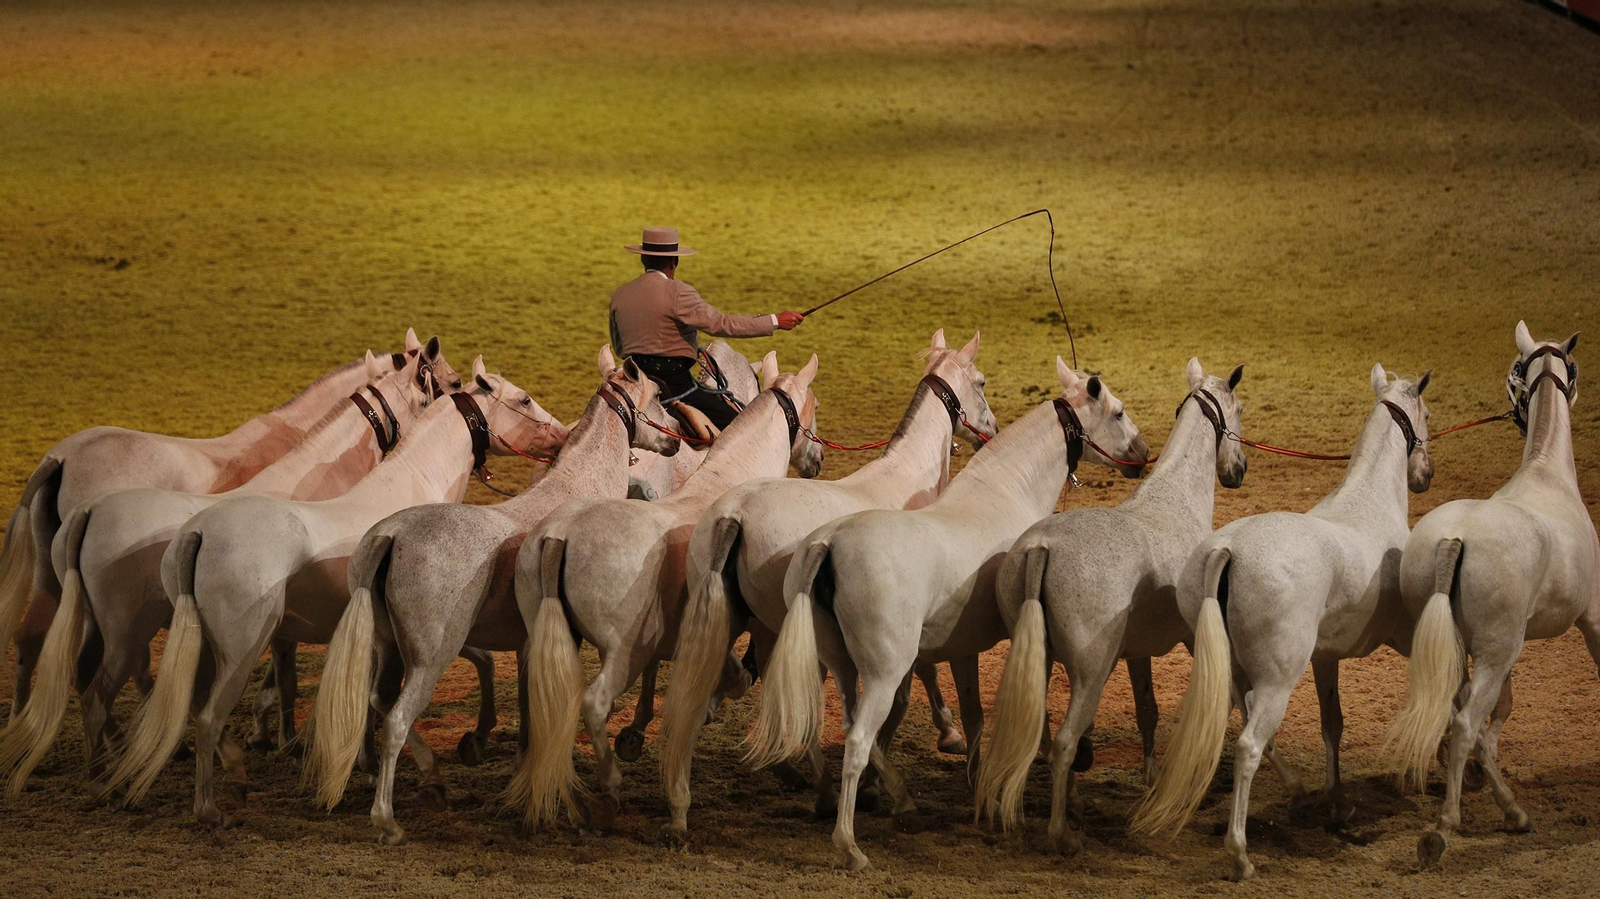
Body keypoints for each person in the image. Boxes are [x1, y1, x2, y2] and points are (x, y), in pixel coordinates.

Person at [609, 226, 804, 431]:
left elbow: (620, 347)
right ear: (674, 261)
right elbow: (720, 324)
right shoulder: (679, 292)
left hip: (632, 381)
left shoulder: (620, 294)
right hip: (674, 385)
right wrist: (775, 320)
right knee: (744, 429)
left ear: (643, 259)